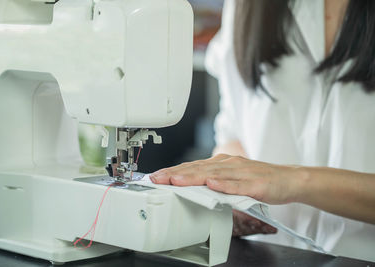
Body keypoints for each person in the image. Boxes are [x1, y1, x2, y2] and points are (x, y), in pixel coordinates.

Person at [150, 0, 375, 262]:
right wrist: (231, 192)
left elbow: (283, 178)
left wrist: (292, 181)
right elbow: (235, 132)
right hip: (268, 254)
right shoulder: (248, 6)